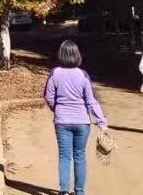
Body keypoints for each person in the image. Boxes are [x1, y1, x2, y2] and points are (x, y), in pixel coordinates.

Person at [43, 39, 108, 195]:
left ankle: (64, 190)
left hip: (62, 121)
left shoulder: (55, 73)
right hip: (82, 122)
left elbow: (49, 96)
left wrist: (57, 109)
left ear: (61, 54)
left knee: (64, 156)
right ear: (77, 55)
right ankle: (79, 192)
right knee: (80, 156)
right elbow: (91, 101)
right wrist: (101, 121)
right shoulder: (82, 75)